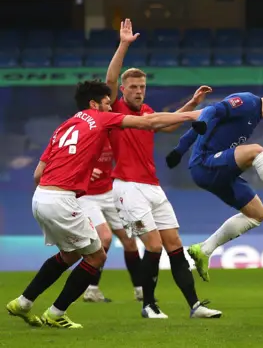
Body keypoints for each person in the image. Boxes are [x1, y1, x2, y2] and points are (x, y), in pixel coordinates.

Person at [5, 80, 202, 329]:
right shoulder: (99, 118)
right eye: (108, 103)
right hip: (63, 199)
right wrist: (196, 113)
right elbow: (149, 122)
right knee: (97, 255)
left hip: (41, 197)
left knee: (70, 254)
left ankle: (23, 303)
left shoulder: (64, 127)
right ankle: (56, 313)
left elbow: (37, 174)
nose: (111, 108)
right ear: (94, 104)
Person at [105, 18, 218, 319]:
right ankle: (148, 305)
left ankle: (195, 306)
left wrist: (191, 104)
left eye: (142, 86)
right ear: (123, 90)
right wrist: (124, 45)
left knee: (174, 245)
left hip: (153, 187)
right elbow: (111, 78)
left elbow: (165, 126)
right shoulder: (114, 110)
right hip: (128, 186)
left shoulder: (147, 112)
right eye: (134, 87)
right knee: (153, 246)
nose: (139, 91)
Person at [165, 84, 263, 283]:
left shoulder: (254, 115)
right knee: (256, 151)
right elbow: (211, 110)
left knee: (257, 215)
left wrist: (179, 150)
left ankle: (203, 250)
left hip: (217, 170)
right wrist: (181, 149)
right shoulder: (246, 102)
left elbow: (205, 125)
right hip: (205, 164)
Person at [80, 138, 144, 303]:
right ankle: (91, 289)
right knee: (105, 238)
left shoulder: (112, 131)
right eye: (106, 108)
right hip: (86, 197)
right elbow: (67, 160)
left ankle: (141, 290)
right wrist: (85, 169)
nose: (110, 109)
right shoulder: (83, 132)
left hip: (110, 193)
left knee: (131, 239)